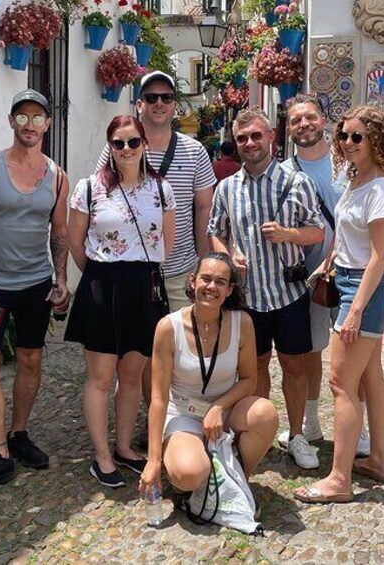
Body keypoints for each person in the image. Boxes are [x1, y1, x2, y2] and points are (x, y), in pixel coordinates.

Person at [0, 89, 70, 498]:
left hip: (36, 284)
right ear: (11, 122)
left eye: (36, 117)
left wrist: (60, 280)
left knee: (31, 359)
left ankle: (19, 432)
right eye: (21, 116)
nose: (29, 124)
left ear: (47, 124)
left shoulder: (56, 177)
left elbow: (58, 233)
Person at [96, 71, 216, 447]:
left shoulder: (194, 151)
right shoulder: (120, 144)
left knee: (183, 354)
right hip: (133, 276)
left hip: (180, 271)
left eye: (166, 97)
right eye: (152, 97)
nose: (159, 104)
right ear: (140, 104)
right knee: (140, 356)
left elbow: (203, 211)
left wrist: (203, 262)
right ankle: (152, 424)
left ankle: (181, 426)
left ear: (174, 104)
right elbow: (100, 201)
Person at [294, 105, 384, 504]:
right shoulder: (355, 179)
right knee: (370, 376)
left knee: (341, 382)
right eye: (344, 136)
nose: (348, 143)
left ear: (376, 140)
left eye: (357, 136)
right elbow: (348, 236)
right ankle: (378, 460)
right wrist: (330, 260)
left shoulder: (382, 189)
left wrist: (354, 309)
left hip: (368, 289)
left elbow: (379, 255)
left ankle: (339, 479)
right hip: (350, 279)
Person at [208, 107, 325, 470]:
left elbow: (318, 230)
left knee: (294, 365)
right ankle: (258, 429)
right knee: (254, 369)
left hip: (288, 295)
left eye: (256, 136)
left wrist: (288, 234)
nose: (250, 143)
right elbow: (215, 232)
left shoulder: (296, 182)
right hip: (248, 299)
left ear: (272, 136)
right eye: (242, 138)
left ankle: (296, 434)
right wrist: (228, 257)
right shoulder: (227, 188)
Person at [67, 115, 176, 488]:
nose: (126, 149)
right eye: (118, 143)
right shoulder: (89, 188)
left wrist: (136, 270)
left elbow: (168, 240)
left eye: (133, 142)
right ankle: (100, 456)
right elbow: (75, 240)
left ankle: (125, 447)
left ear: (145, 144)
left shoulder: (161, 189)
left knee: (131, 375)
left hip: (143, 284)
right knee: (100, 377)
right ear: (109, 147)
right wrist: (101, 274)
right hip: (103, 283)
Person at [139, 253, 278, 501]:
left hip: (224, 411)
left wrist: (218, 407)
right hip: (183, 412)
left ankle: (233, 480)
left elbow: (249, 380)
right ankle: (195, 464)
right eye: (206, 279)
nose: (211, 287)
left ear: (229, 289)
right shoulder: (168, 327)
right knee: (188, 475)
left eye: (221, 282)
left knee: (265, 413)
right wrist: (153, 460)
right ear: (192, 281)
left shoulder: (242, 322)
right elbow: (158, 399)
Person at [279, 96, 371, 458]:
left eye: (310, 117)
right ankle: (312, 422)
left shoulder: (346, 162)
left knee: (356, 355)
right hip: (310, 278)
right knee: (311, 352)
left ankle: (358, 430)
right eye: (296, 119)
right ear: (289, 128)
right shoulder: (284, 172)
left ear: (323, 121)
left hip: (350, 272)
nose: (304, 124)